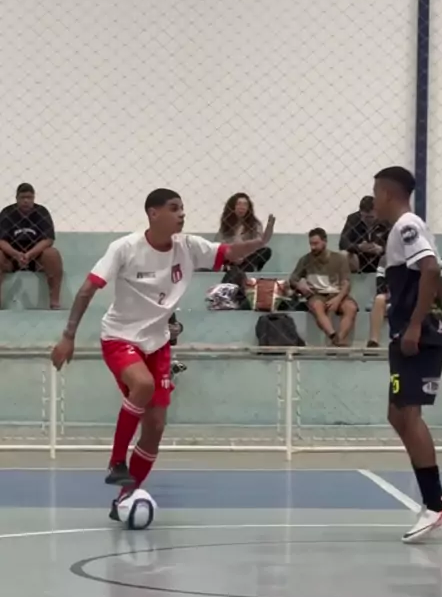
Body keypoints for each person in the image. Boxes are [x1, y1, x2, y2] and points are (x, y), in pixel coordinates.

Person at [51, 188, 275, 521]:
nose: (182, 213)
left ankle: (125, 497)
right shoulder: (125, 248)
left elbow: (229, 252)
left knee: (155, 426)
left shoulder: (188, 247)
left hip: (157, 343)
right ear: (153, 213)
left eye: (182, 208)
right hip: (119, 337)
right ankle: (116, 462)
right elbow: (87, 289)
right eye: (174, 208)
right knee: (142, 385)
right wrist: (68, 336)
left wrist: (260, 242)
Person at [373, 166, 442, 542]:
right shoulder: (410, 230)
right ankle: (436, 497)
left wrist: (417, 324)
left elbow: (430, 269)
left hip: (417, 334)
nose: (373, 200)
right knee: (397, 414)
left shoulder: (406, 225)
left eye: (376, 193)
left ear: (386, 193)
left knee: (408, 414)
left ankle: (436, 506)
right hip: (409, 331)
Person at [288, 228, 357, 346]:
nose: (313, 247)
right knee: (316, 306)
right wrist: (300, 285)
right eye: (311, 244)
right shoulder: (305, 260)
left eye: (316, 243)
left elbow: (346, 283)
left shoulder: (339, 259)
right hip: (317, 294)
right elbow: (293, 279)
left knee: (351, 307)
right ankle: (333, 336)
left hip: (337, 293)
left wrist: (338, 299)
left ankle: (339, 339)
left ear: (325, 241)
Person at [0, 183, 63, 308]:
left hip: (36, 258)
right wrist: (16, 254)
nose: (26, 201)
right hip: (11, 258)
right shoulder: (7, 213)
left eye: (29, 198)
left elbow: (48, 239)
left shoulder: (41, 212)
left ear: (34, 198)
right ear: (16, 198)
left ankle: (54, 300)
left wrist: (30, 254)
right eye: (23, 197)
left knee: (52, 254)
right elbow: (1, 240)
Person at [216, 192, 272, 271]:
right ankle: (236, 269)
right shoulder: (226, 225)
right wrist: (233, 255)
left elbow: (259, 244)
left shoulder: (255, 224)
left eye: (245, 204)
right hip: (231, 256)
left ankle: (240, 269)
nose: (242, 207)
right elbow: (220, 244)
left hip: (247, 257)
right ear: (232, 207)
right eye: (238, 204)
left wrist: (244, 255)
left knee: (266, 251)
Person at [339, 195, 389, 273]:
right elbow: (343, 242)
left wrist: (381, 249)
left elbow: (396, 244)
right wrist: (359, 247)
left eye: (371, 217)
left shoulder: (386, 219)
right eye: (365, 217)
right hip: (360, 259)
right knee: (344, 255)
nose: (368, 220)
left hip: (380, 260)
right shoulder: (353, 219)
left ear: (377, 212)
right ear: (360, 213)